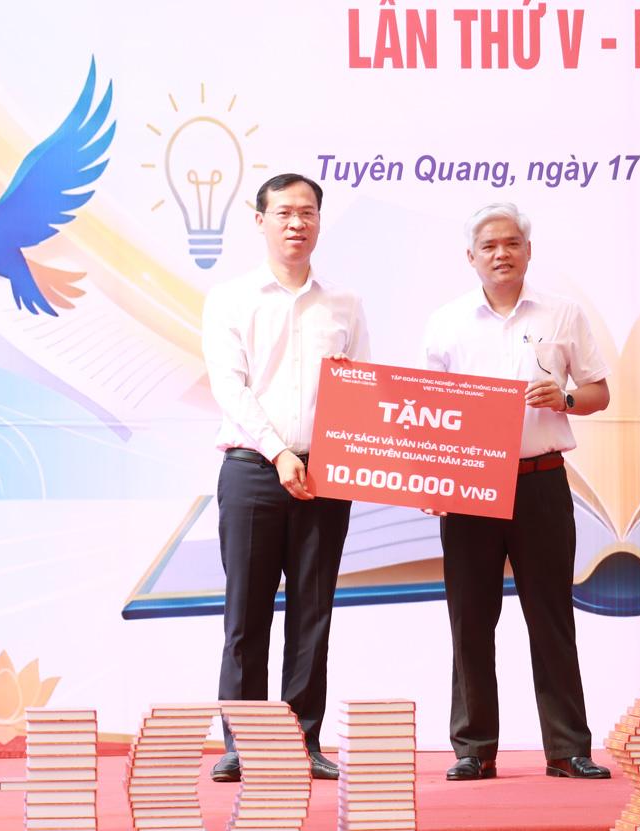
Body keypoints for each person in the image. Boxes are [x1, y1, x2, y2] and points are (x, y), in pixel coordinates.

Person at [423, 202, 612, 781]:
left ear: (529, 251)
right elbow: (428, 413)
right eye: (489, 246)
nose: (501, 254)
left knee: (551, 616)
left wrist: (567, 398)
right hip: (469, 489)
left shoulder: (563, 313)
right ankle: (473, 749)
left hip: (540, 482)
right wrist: (433, 479)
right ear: (471, 257)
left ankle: (568, 748)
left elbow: (599, 392)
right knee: (470, 620)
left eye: (511, 243)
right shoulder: (446, 322)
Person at [201, 173, 369, 782]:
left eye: (307, 212)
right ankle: (244, 744)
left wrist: (346, 453)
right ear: (260, 220)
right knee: (246, 616)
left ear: (320, 221)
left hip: (325, 475)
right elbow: (230, 387)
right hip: (253, 471)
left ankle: (303, 741)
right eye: (284, 212)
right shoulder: (230, 298)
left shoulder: (344, 303)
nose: (297, 223)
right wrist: (278, 453)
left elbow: (362, 387)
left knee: (312, 614)